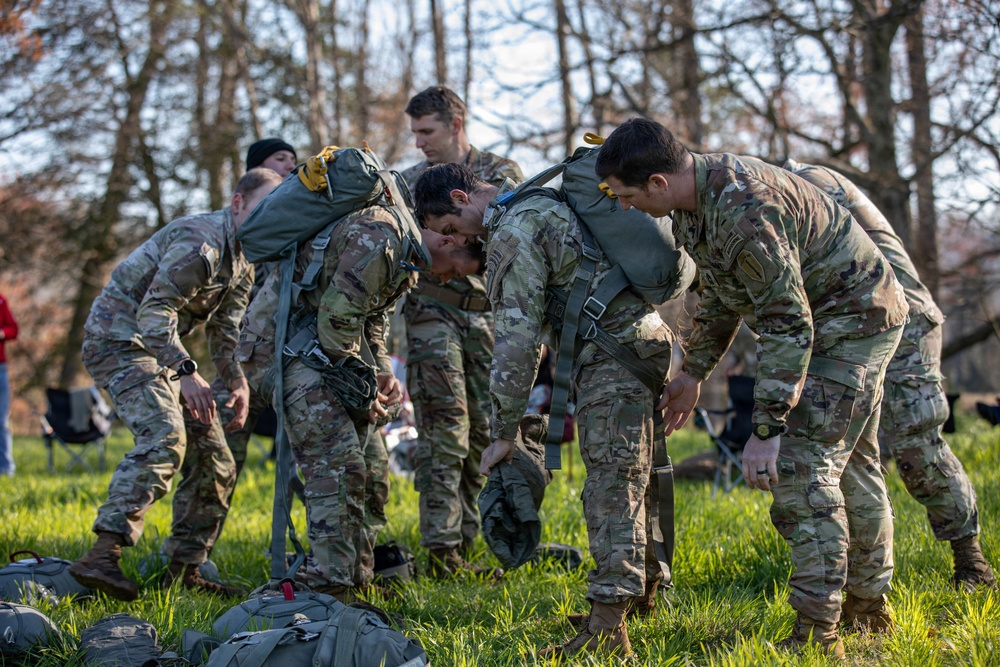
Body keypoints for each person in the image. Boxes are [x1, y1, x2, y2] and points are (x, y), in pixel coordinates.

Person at [595, 118, 908, 656]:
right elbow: (720, 297)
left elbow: (789, 322)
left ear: (658, 183)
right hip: (832, 319)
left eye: (626, 195)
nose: (625, 208)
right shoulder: (694, 204)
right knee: (851, 463)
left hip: (853, 322)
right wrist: (693, 373)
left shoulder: (744, 209)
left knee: (804, 471)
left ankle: (819, 632)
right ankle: (868, 610)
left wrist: (767, 427)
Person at [413, 163, 678, 660]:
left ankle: (607, 624)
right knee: (634, 476)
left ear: (460, 197)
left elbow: (516, 343)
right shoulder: (538, 202)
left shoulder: (512, 230)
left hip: (612, 356)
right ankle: (640, 597)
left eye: (450, 228)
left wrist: (503, 429)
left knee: (611, 485)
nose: (457, 240)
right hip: (635, 346)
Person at [238, 194, 481, 602]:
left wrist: (382, 373)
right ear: (448, 240)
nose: (446, 281)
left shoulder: (406, 256)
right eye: (455, 271)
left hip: (323, 354)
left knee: (373, 466)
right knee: (339, 462)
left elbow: (372, 320)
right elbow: (336, 322)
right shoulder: (381, 238)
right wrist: (362, 389)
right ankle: (329, 584)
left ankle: (357, 576)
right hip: (277, 349)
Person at [68, 168, 283, 602]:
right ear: (238, 203)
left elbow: (225, 330)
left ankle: (185, 570)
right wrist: (187, 373)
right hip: (118, 341)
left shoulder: (244, 257)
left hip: (158, 352)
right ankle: (103, 554)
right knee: (165, 437)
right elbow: (154, 314)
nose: (267, 221)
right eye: (261, 208)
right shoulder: (200, 243)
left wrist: (236, 380)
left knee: (218, 460)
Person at [784, 159, 996, 594]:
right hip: (848, 327)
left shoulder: (808, 184)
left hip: (903, 318)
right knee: (848, 454)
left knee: (917, 444)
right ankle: (860, 577)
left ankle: (972, 561)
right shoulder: (779, 189)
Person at [399, 86, 524, 576]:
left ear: (455, 125)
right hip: (433, 310)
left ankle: (471, 536)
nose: (419, 143)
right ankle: (441, 546)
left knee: (482, 432)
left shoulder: (501, 174)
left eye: (426, 131)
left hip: (488, 317)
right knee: (444, 427)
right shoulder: (410, 185)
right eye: (414, 133)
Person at [0, 293, 18, 477]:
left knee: (1, 420)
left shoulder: (1, 300)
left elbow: (13, 329)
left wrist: (2, 333)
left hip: (0, 368)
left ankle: (6, 468)